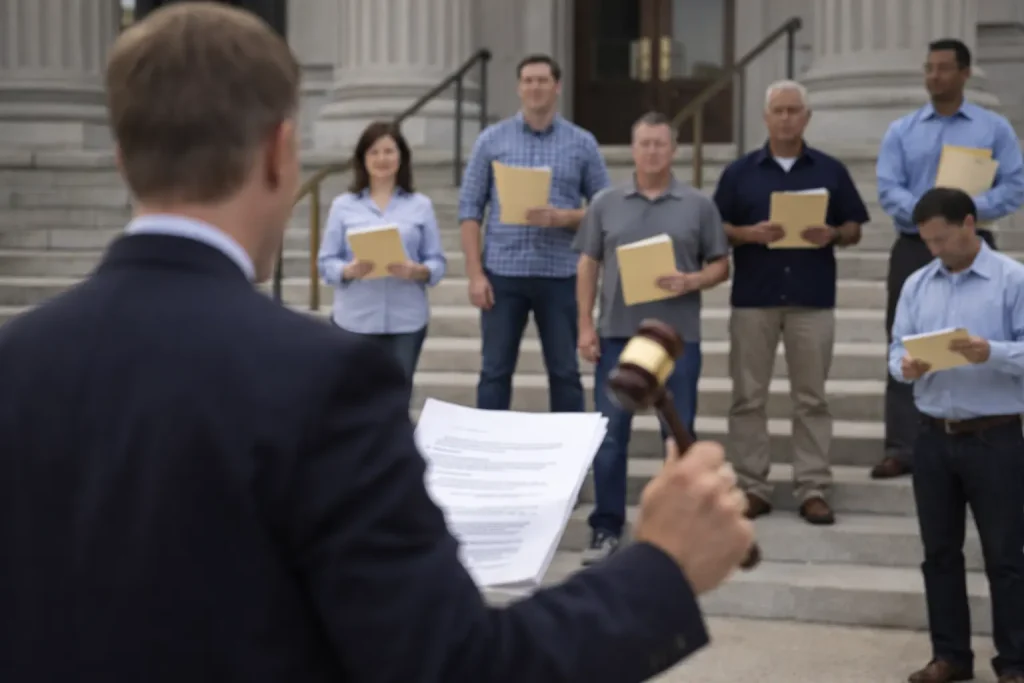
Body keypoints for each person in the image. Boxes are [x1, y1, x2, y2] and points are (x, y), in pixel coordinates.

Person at [0, 5, 756, 683]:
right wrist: (661, 567)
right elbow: (459, 664)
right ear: (280, 153)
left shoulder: (16, 363)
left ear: (122, 157)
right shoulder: (324, 381)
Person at [712, 80, 870, 525]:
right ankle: (752, 485)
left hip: (812, 298)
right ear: (765, 117)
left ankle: (813, 486)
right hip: (754, 299)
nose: (785, 118)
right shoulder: (739, 172)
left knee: (812, 399)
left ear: (807, 117)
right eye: (778, 111)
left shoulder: (831, 171)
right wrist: (747, 234)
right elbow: (715, 226)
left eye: (794, 110)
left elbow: (855, 225)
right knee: (747, 398)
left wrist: (834, 234)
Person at [574, 112, 730, 564]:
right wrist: (585, 324)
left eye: (660, 144)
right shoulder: (605, 202)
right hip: (619, 335)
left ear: (674, 149)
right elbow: (588, 265)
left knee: (677, 436)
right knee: (610, 437)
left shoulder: (698, 204)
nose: (652, 152)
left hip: (677, 340)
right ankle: (605, 528)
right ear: (632, 147)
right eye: (644, 144)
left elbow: (722, 264)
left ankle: (676, 531)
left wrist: (692, 280)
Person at [889, 187, 1024, 683]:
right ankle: (950, 656)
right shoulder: (917, 285)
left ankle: (1015, 660)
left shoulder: (1013, 280)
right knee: (939, 554)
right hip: (932, 437)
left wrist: (994, 353)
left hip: (996, 437)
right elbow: (894, 355)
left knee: (1006, 554)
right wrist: (906, 366)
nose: (935, 250)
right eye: (927, 241)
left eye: (942, 239)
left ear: (970, 224)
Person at [874, 37, 1024, 480]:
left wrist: (963, 213)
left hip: (971, 240)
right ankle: (903, 444)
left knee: (980, 334)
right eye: (928, 68)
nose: (933, 76)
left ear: (964, 73)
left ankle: (984, 427)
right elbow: (888, 188)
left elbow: (1014, 186)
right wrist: (929, 216)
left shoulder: (992, 128)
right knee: (906, 342)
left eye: (942, 68)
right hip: (913, 242)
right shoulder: (902, 130)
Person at [458, 54, 610, 412]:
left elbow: (606, 211)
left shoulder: (582, 143)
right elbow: (469, 210)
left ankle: (567, 463)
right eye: (528, 80)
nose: (535, 87)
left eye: (542, 80)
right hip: (502, 274)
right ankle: (490, 459)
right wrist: (475, 275)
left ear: (557, 87)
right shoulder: (491, 140)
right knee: (495, 372)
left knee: (564, 374)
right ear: (518, 87)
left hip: (560, 275)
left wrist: (565, 217)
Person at [317, 121, 445, 380]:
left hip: (406, 320)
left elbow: (437, 261)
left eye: (389, 151)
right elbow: (326, 262)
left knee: (397, 398)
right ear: (362, 159)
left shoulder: (421, 206)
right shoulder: (343, 206)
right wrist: (348, 270)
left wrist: (418, 270)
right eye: (374, 152)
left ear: (402, 157)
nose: (382, 159)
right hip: (355, 319)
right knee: (354, 399)